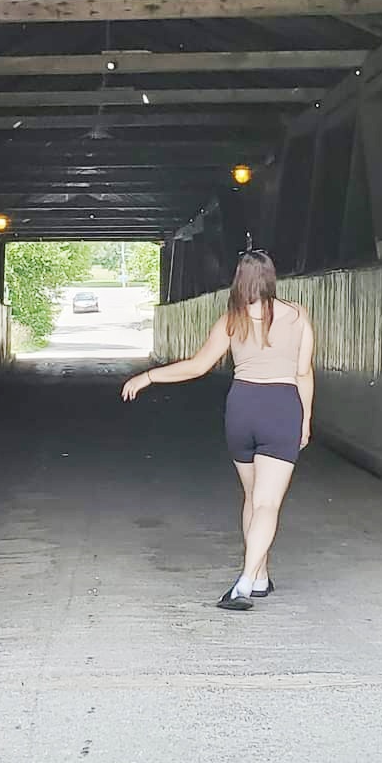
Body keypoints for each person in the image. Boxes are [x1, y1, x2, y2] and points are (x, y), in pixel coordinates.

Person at [121, 249, 314, 611]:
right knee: (267, 502)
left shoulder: (232, 320)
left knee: (251, 496)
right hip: (281, 408)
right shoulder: (298, 316)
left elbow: (197, 366)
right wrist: (304, 420)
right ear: (271, 278)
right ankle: (244, 581)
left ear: (238, 280)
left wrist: (149, 376)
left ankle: (260, 576)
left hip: (242, 409)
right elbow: (303, 372)